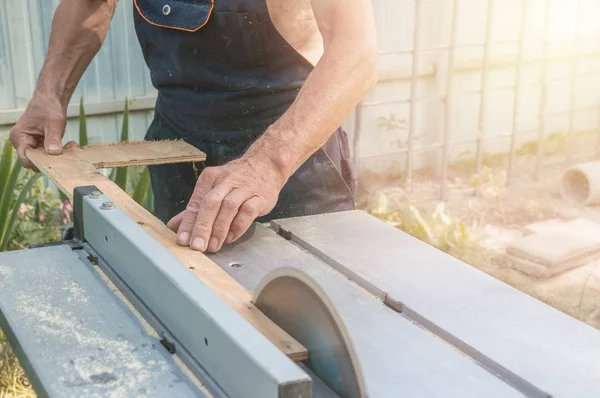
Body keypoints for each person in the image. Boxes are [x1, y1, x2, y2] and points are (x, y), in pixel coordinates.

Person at [10, 0, 378, 253]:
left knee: (309, 321)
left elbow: (355, 51)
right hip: (178, 147)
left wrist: (267, 165)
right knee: (190, 308)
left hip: (289, 156)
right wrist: (50, 93)